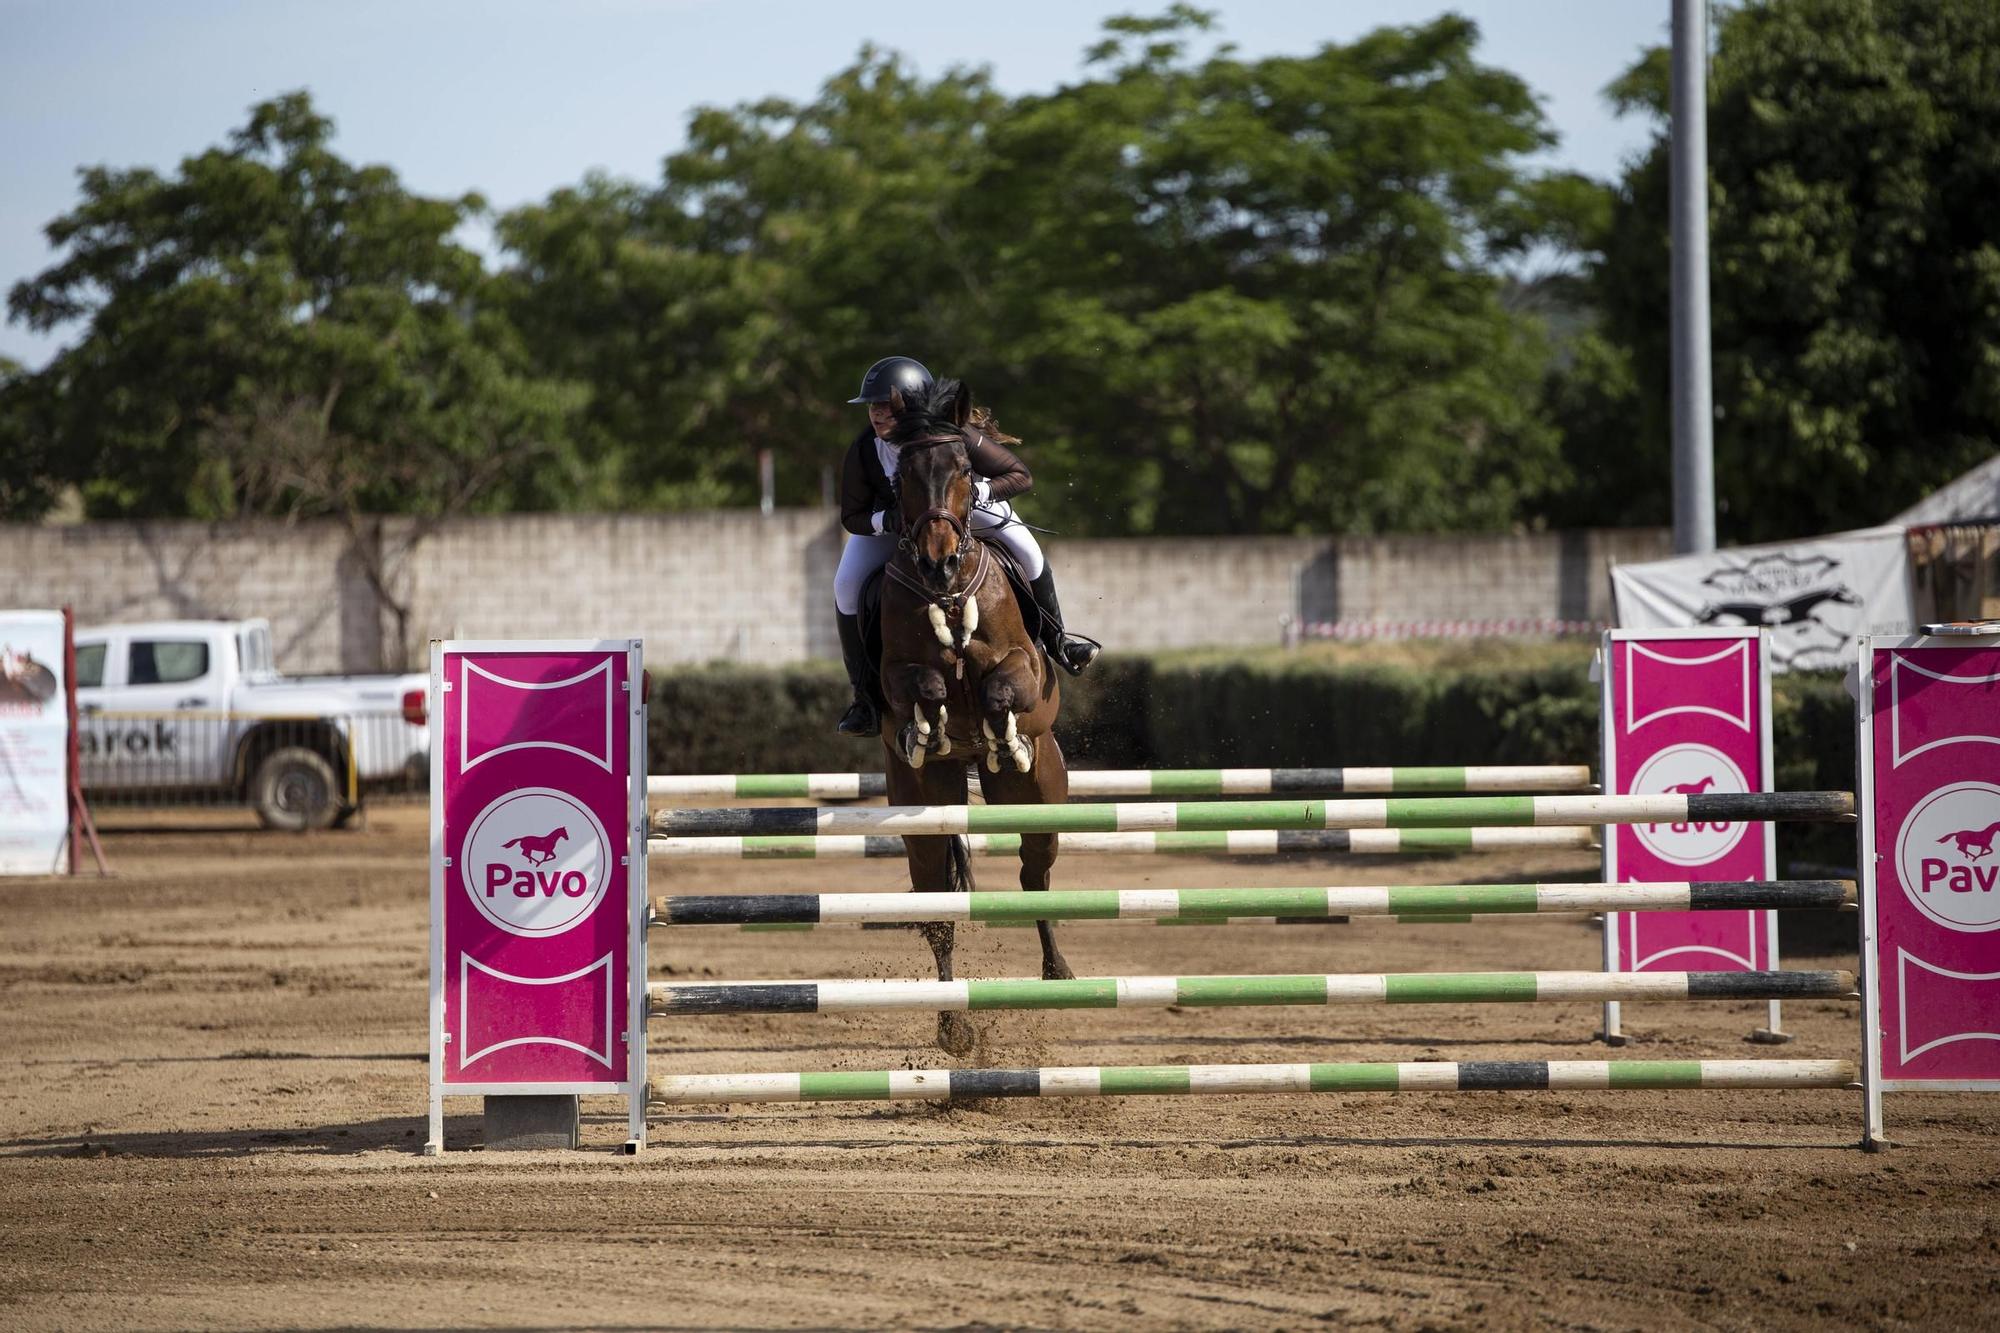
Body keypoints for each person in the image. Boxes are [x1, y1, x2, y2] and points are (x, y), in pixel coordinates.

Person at [832, 355, 1100, 736]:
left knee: (1028, 552)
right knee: (845, 585)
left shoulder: (956, 435)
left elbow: (1019, 475)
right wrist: (886, 520)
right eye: (872, 406)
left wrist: (978, 492)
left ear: (910, 406)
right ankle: (863, 696)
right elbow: (851, 516)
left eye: (884, 405)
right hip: (896, 523)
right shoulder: (865, 449)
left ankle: (1059, 641)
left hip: (967, 508)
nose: (876, 414)